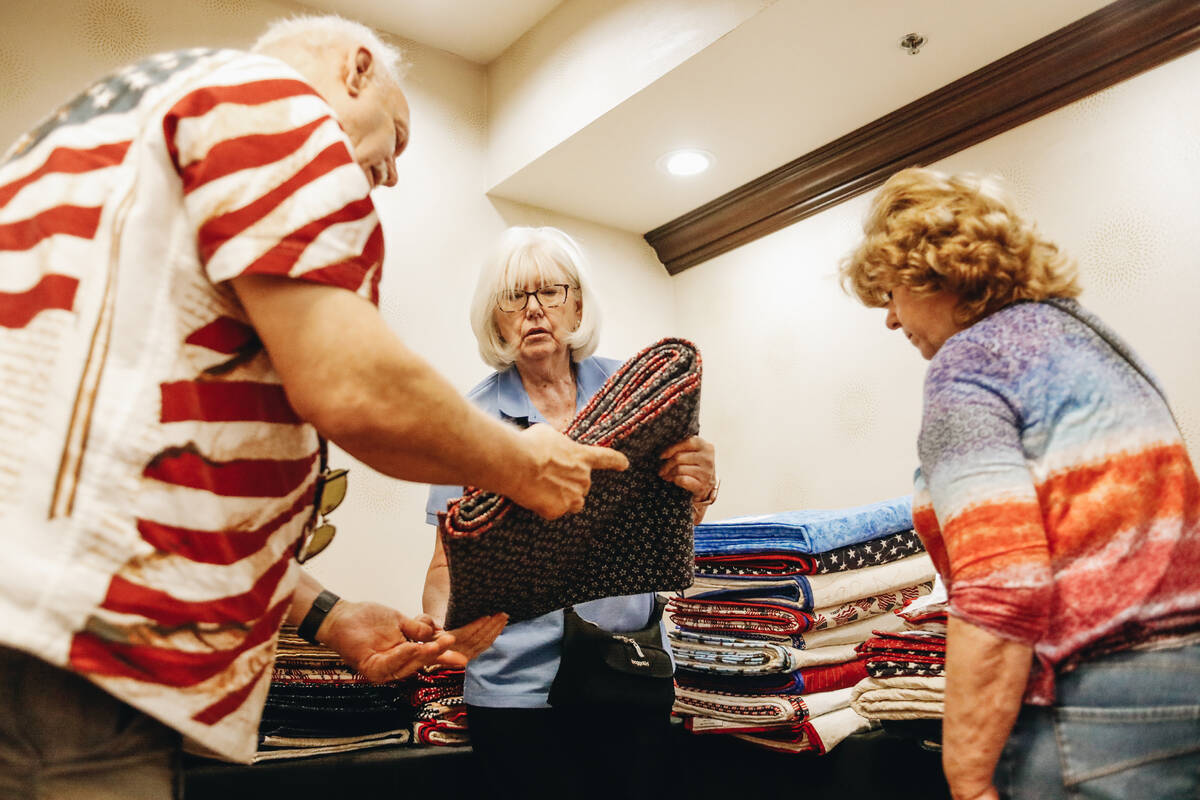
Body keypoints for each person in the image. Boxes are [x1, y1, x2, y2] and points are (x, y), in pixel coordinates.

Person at [0, 14, 628, 798]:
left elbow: (119, 456)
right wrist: (522, 463)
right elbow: (354, 388)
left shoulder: (90, 139)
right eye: (395, 140)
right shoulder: (284, 108)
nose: (391, 174)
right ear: (356, 70)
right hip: (80, 650)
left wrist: (325, 615)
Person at [839, 167, 1200, 800]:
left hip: (1093, 705)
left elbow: (1003, 585)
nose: (891, 320)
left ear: (936, 273)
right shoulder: (1092, 341)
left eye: (892, 293)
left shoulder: (971, 362)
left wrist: (969, 778)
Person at [421, 225, 718, 800]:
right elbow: (443, 567)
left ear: (577, 302)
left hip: (628, 672)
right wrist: (443, 627)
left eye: (551, 292)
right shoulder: (467, 424)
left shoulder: (632, 389)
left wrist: (700, 489)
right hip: (518, 693)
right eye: (514, 296)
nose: (534, 310)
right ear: (495, 317)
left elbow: (669, 527)